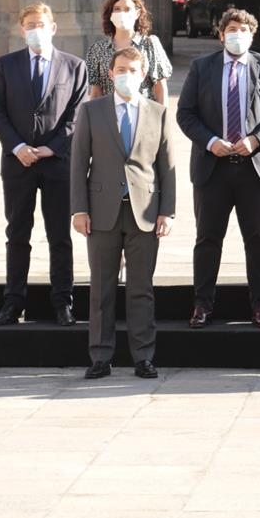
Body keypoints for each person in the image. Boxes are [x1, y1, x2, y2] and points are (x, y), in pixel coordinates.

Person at [176, 8, 260, 329]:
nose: (236, 34)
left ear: (252, 35)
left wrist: (257, 140)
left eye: (243, 29)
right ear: (221, 34)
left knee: (258, 239)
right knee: (208, 239)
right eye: (231, 29)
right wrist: (209, 141)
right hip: (212, 167)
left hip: (254, 168)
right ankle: (202, 304)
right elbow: (185, 113)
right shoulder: (202, 67)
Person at [71, 48, 177, 380]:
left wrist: (168, 212)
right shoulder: (91, 111)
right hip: (101, 212)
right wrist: (79, 209)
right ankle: (100, 357)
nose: (125, 74)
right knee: (101, 287)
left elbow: (167, 168)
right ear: (111, 72)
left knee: (140, 287)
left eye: (132, 69)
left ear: (143, 73)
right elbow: (78, 164)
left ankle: (143, 356)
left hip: (144, 211)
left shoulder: (158, 113)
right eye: (120, 68)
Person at [0, 3, 87, 328]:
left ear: (53, 27)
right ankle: (13, 304)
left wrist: (50, 148)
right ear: (21, 29)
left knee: (59, 236)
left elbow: (76, 115)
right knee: (17, 234)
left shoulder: (74, 67)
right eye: (30, 24)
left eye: (41, 23)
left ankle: (63, 303)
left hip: (56, 163)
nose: (35, 29)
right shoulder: (6, 65)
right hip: (18, 163)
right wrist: (18, 147)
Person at [85, 0, 171, 101]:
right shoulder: (98, 49)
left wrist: (161, 117)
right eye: (117, 9)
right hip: (109, 114)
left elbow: (160, 88)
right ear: (110, 14)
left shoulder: (149, 44)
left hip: (143, 114)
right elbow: (95, 92)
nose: (122, 13)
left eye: (127, 9)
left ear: (137, 13)